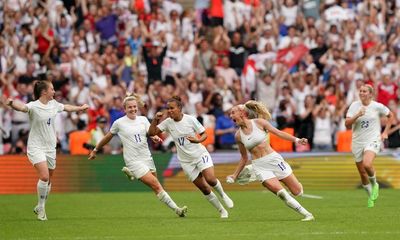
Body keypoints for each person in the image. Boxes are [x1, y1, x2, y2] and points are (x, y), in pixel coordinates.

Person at [88, 94, 187, 217]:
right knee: (156, 185)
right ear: (124, 109)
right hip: (133, 160)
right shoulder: (119, 123)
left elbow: (149, 132)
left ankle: (132, 174)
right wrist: (96, 149)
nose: (133, 109)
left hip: (146, 156)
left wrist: (154, 137)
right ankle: (177, 209)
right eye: (130, 107)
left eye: (135, 106)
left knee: (156, 186)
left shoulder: (143, 119)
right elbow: (108, 137)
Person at [5, 80, 89, 221]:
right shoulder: (33, 106)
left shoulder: (54, 104)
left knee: (49, 180)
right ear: (44, 92)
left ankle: (39, 205)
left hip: (50, 147)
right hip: (36, 146)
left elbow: (66, 107)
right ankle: (42, 208)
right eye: (52, 89)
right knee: (44, 176)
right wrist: (12, 103)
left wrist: (80, 108)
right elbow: (22, 108)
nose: (54, 91)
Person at [227, 100, 314, 221]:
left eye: (233, 113)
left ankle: (296, 186)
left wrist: (297, 140)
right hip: (260, 166)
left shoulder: (259, 123)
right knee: (282, 194)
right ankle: (308, 215)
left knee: (297, 192)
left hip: (274, 159)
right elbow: (244, 157)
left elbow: (279, 133)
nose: (231, 116)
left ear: (242, 113)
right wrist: (235, 175)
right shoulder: (238, 135)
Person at [148, 96, 234, 218]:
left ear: (179, 108)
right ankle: (221, 210)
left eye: (172, 108)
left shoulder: (190, 119)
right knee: (204, 188)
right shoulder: (167, 122)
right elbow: (151, 133)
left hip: (200, 154)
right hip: (186, 161)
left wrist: (197, 140)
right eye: (168, 108)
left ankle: (223, 195)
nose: (169, 111)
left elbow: (204, 134)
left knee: (210, 179)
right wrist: (155, 120)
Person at [345, 84, 393, 208]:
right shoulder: (354, 106)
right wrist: (357, 115)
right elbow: (347, 124)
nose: (362, 93)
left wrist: (385, 132)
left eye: (364, 91)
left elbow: (390, 115)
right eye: (360, 91)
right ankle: (370, 196)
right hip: (357, 142)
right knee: (362, 172)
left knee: (367, 164)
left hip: (372, 139)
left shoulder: (377, 106)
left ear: (370, 94)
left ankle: (375, 184)